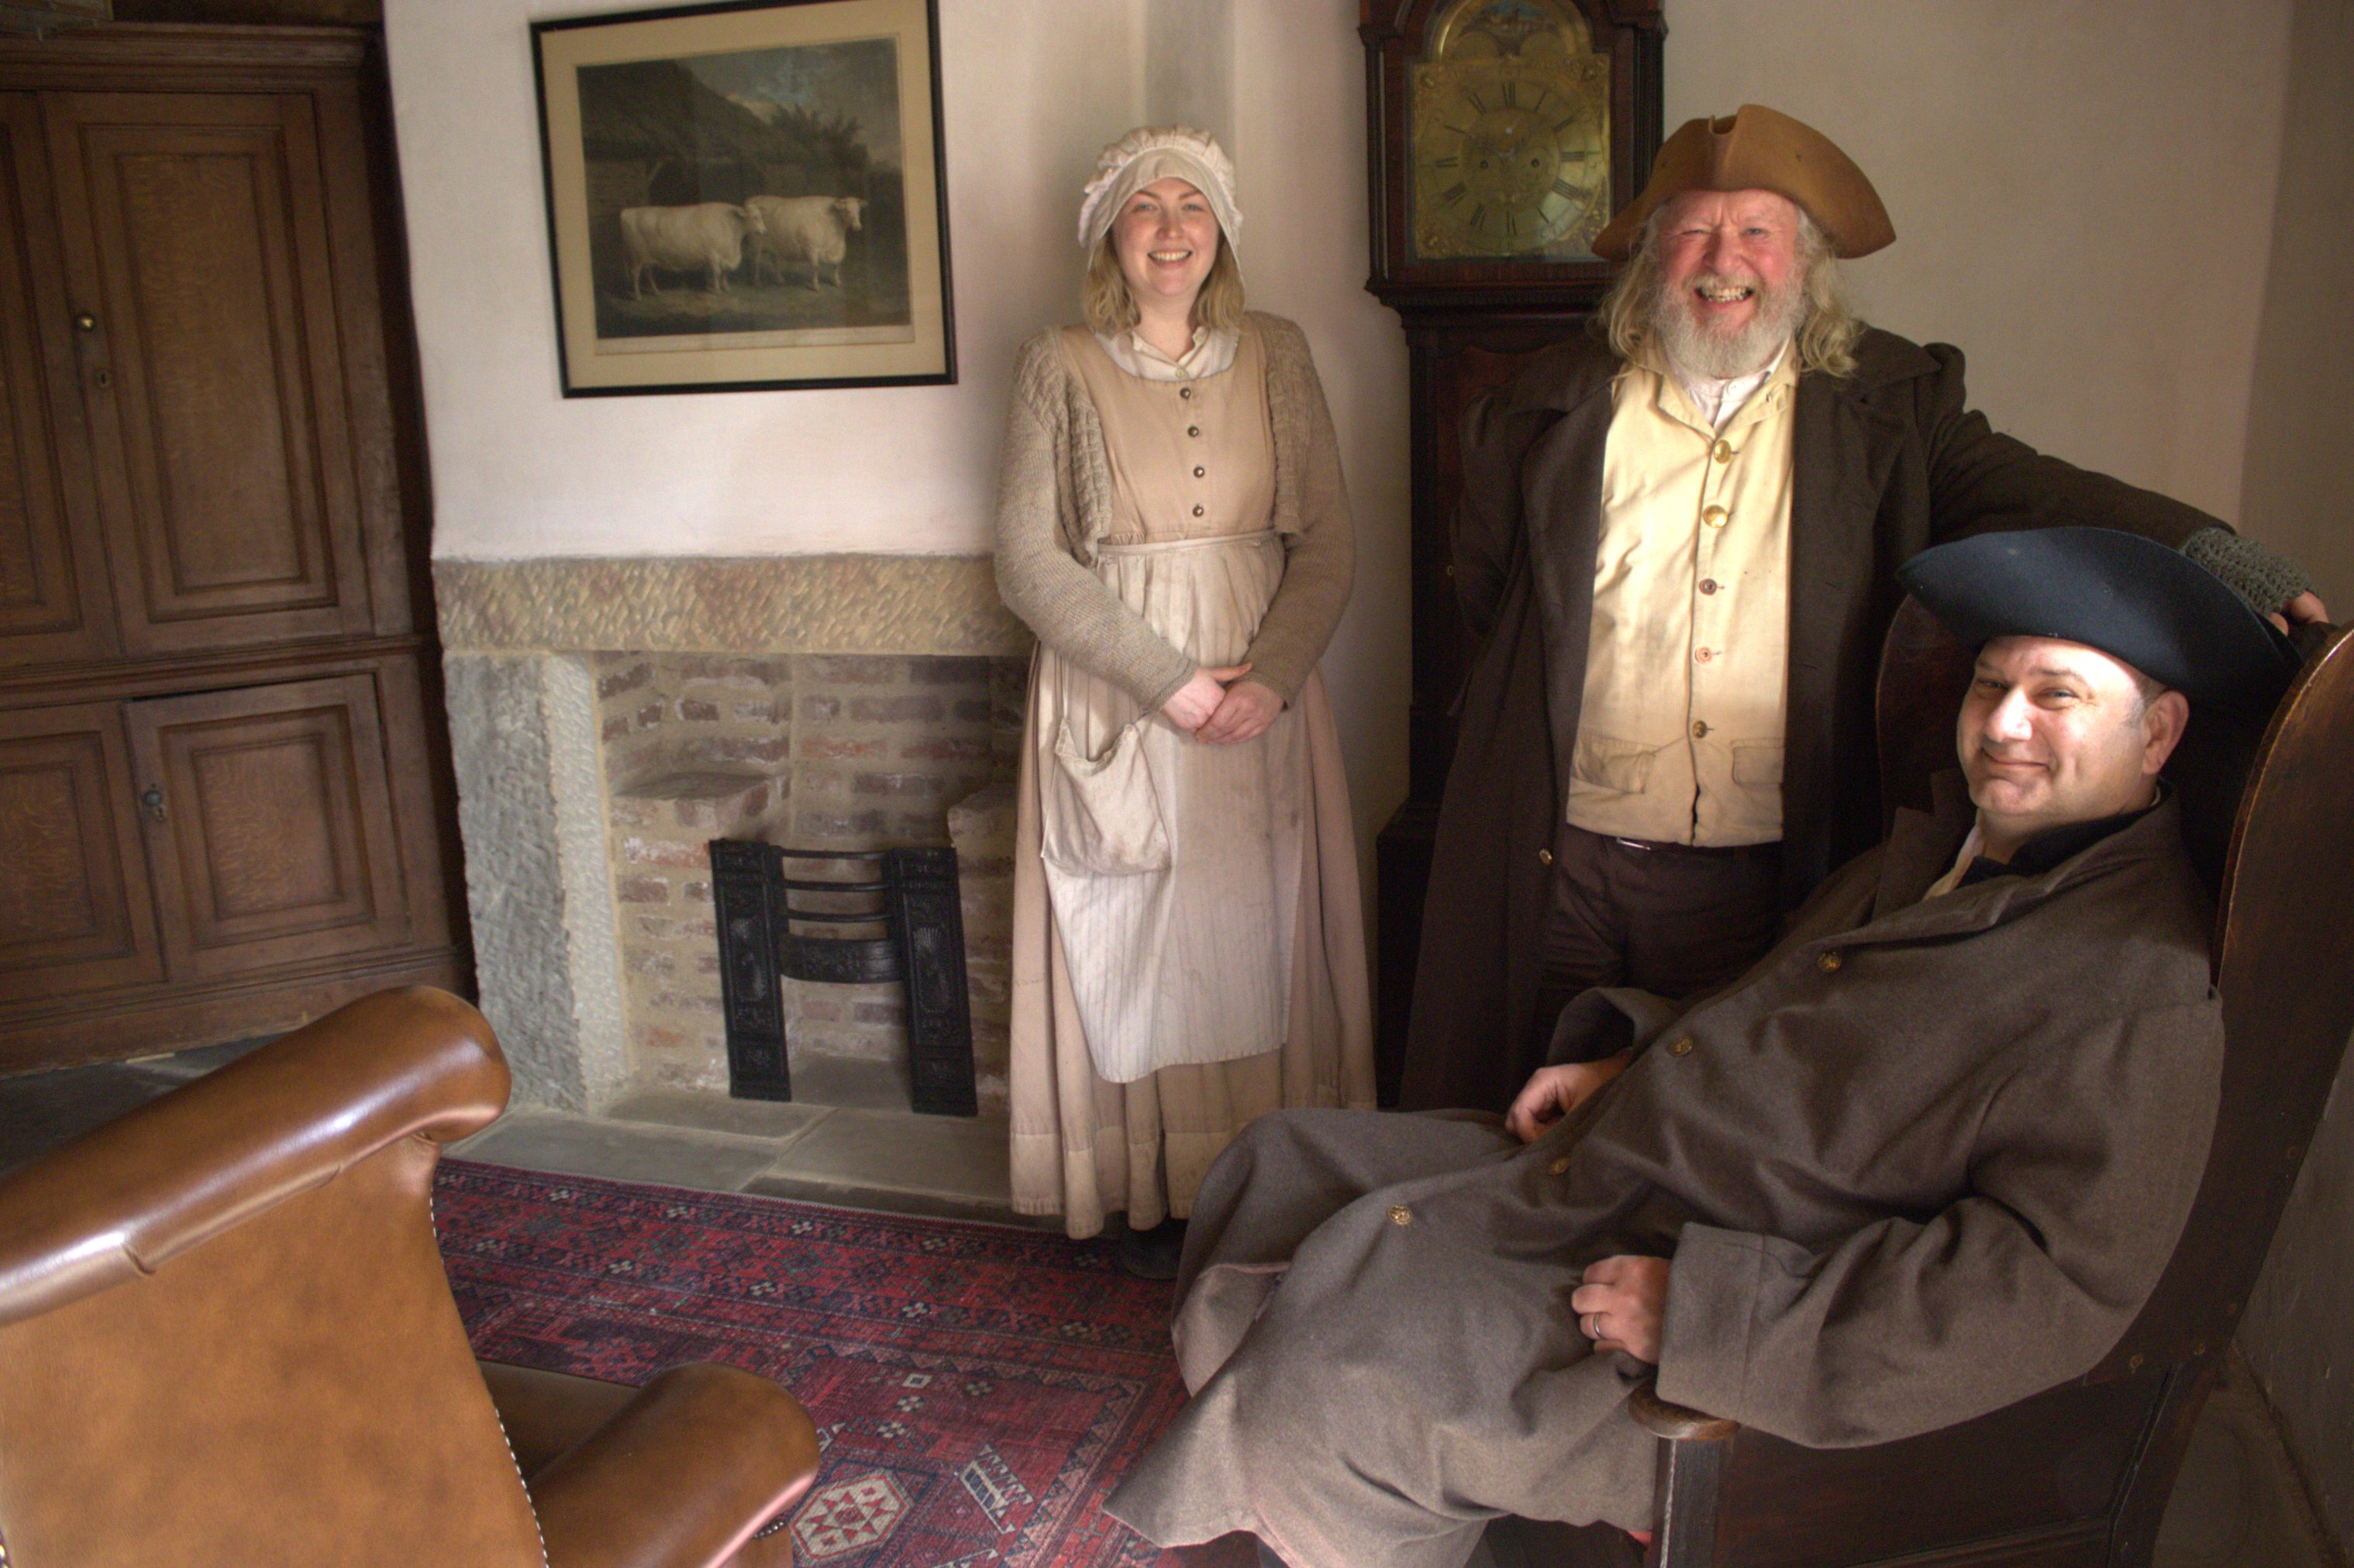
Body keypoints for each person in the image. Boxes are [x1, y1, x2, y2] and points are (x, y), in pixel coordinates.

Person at [1102, 527, 2297, 1567]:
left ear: (2160, 735)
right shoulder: (1940, 855)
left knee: (1344, 1373)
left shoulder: (2135, 989)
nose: (2002, 726)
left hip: (1713, 1296)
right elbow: (1775, 1001)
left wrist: (1711, 1320)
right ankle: (1324, 1493)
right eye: (1990, 686)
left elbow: (2047, 1292)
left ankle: (1323, 1469)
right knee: (1276, 1164)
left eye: (2057, 695)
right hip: (1629, 1165)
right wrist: (1626, 1060)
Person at [1401, 104, 2330, 1114]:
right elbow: (1492, 601)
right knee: (1525, 1112)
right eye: (1693, 231)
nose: (1724, 260)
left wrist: (2230, 566)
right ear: (1650, 256)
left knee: (1718, 1126)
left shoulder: (1895, 405)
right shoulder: (1539, 408)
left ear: (1804, 260)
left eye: (1757, 230)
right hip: (1559, 860)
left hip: (1773, 877)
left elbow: (2038, 489)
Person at [993, 126, 1375, 1259]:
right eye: (1147, 207)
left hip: (1263, 684)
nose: (1171, 229)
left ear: (1221, 232)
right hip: (1116, 683)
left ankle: (1269, 1171)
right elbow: (1025, 558)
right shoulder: (1056, 362)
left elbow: (1331, 539)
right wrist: (1168, 683)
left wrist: (1272, 679)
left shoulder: (1279, 351)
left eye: (1192, 206)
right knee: (1128, 919)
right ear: (1112, 230)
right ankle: (1136, 1175)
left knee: (1253, 916)